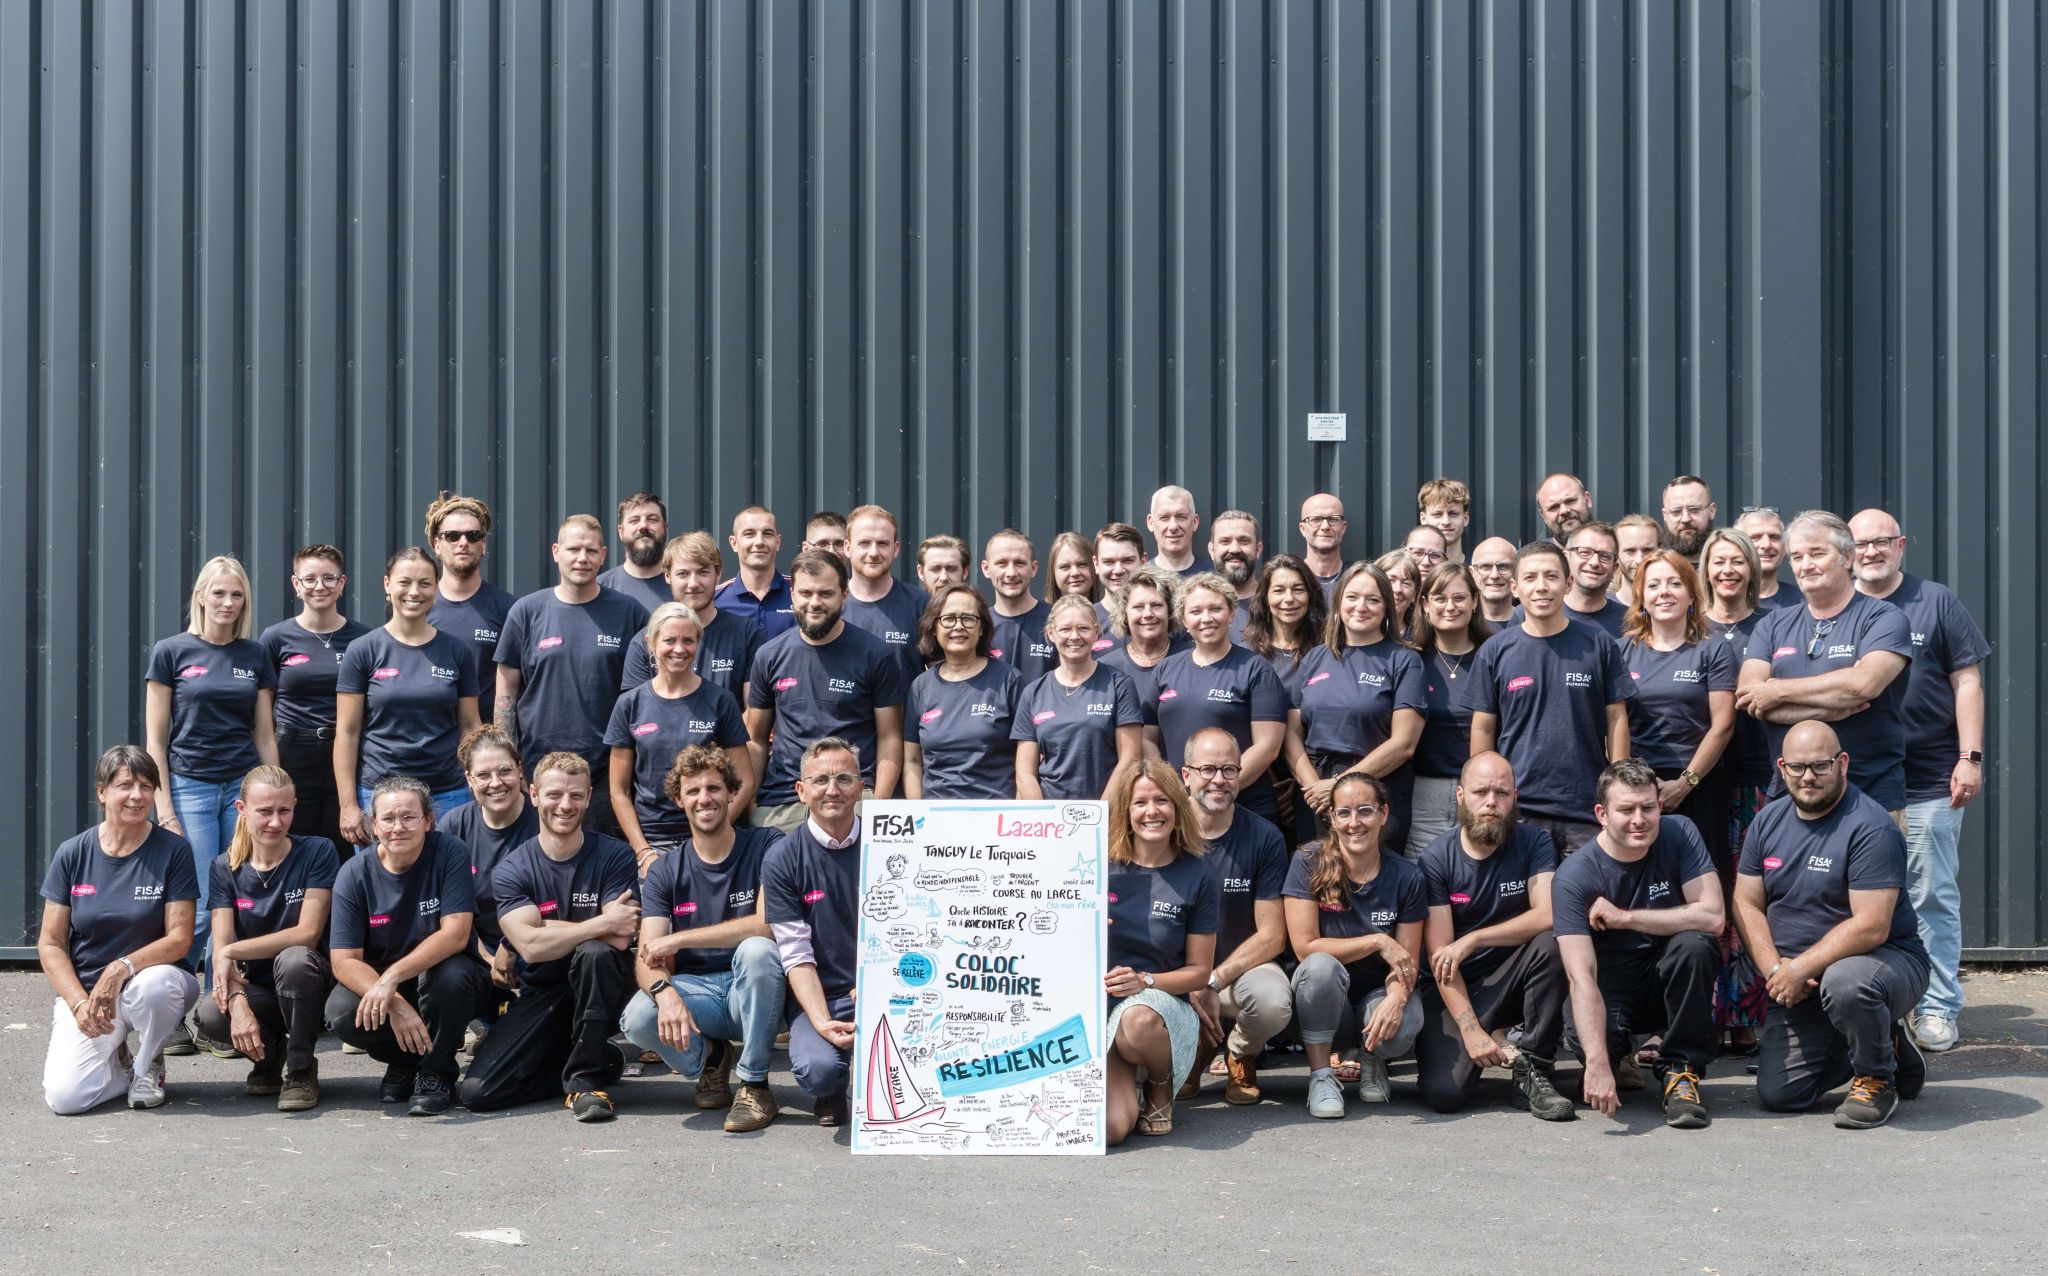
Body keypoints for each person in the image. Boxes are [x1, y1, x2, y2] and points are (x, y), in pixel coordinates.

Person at [1735, 722, 1931, 1128]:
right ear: (1781, 768)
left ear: (1842, 763)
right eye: (1797, 766)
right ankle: (1886, 1040)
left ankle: (1876, 1078)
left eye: (1820, 766)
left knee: (1847, 983)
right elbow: (1745, 901)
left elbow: (1871, 926)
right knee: (1782, 1094)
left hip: (1882, 963)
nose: (1808, 776)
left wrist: (1800, 968)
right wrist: (1776, 970)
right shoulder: (1767, 821)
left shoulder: (1871, 826)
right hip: (1799, 981)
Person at [1847, 508, 1989, 1053]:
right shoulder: (1840, 607)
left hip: (1929, 777)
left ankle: (1937, 1007)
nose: (1871, 552)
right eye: (1861, 543)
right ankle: (1873, 1005)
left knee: (1931, 894)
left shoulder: (1935, 600)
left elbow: (1967, 681)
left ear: (1901, 545)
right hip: (1859, 778)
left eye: (1881, 541)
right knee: (1857, 896)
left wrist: (1969, 757)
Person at [458, 754, 641, 1120]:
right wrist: (598, 923)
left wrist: (543, 926)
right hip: (544, 990)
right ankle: (595, 1060)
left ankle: (586, 1083)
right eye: (554, 794)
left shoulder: (615, 855)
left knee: (594, 953)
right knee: (477, 1094)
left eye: (576, 795)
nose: (565, 805)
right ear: (534, 795)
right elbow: (529, 947)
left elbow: (622, 936)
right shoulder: (513, 869)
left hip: (605, 990)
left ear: (588, 798)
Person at [619, 746, 786, 1131]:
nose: (704, 799)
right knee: (638, 1016)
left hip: (756, 991)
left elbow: (767, 925)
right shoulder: (665, 871)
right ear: (679, 800)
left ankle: (755, 1083)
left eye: (713, 788)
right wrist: (665, 994)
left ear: (732, 793)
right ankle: (711, 1058)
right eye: (693, 791)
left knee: (758, 950)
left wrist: (680, 940)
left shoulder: (767, 844)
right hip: (700, 993)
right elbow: (648, 956)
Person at [1553, 760, 1723, 1127]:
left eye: (1648, 807)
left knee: (1695, 944)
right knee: (1595, 1047)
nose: (1639, 820)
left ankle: (1680, 1070)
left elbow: (1713, 917)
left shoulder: (1680, 832)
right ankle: (1615, 1057)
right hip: (1609, 986)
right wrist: (1597, 1062)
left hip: (1665, 977)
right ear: (1602, 815)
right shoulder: (1574, 876)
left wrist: (1625, 917)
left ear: (1660, 806)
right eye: (1626, 810)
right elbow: (1581, 977)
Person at [39, 746, 200, 1114]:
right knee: (66, 1098)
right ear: (102, 792)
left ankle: (149, 1064)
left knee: (155, 986)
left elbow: (180, 939)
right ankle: (122, 1064)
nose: (136, 796)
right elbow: (50, 943)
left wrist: (121, 967)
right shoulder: (72, 853)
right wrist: (78, 1002)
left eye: (146, 786)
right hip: (91, 995)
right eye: (125, 785)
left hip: (153, 983)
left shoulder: (173, 851)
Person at [1413, 753, 1573, 1119]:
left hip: (1514, 978)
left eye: (1501, 793)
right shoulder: (1436, 859)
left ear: (1514, 797)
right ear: (1460, 796)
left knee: (1553, 942)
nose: (1491, 802)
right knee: (1446, 1095)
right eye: (1480, 792)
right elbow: (1441, 959)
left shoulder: (1534, 842)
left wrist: (1474, 939)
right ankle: (1480, 1044)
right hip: (1457, 987)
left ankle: (1533, 1067)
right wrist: (1470, 1030)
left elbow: (1547, 914)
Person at [146, 555, 279, 982]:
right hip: (191, 788)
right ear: (200, 596)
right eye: (219, 593)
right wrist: (165, 811)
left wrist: (276, 793)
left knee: (237, 900)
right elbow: (155, 741)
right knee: (201, 904)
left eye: (237, 595)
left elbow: (264, 735)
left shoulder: (254, 655)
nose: (227, 602)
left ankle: (218, 1001)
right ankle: (172, 998)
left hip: (242, 789)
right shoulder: (171, 651)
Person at [326, 777, 486, 1117]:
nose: (398, 827)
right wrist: (395, 1002)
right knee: (341, 1010)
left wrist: (393, 977)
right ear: (373, 825)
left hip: (443, 977)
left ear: (428, 820)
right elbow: (343, 960)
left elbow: (456, 934)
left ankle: (436, 1073)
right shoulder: (353, 874)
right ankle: (405, 1059)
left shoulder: (449, 851)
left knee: (451, 975)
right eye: (388, 818)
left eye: (409, 817)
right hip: (389, 987)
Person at [1737, 510, 1914, 814]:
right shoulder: (1771, 625)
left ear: (1847, 557)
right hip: (1789, 801)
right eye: (1797, 557)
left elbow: (1863, 685)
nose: (1805, 565)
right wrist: (1833, 707)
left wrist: (1777, 691)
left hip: (1871, 798)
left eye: (1817, 553)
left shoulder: (1884, 618)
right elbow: (1750, 697)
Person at [1466, 541, 1634, 855]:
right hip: (1519, 808)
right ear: (1514, 587)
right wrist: (1487, 791)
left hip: (1586, 805)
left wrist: (1619, 785)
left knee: (1585, 888)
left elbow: (1616, 718)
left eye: (1551, 576)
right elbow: (1483, 728)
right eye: (1530, 578)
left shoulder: (1599, 644)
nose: (1541, 586)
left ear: (1568, 583)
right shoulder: (1495, 651)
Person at [191, 766, 337, 1110]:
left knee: (295, 958)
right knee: (212, 1014)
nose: (275, 821)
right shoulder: (224, 867)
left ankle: (301, 1069)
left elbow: (307, 933)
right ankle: (268, 1059)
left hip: (312, 987)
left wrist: (231, 951)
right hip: (260, 988)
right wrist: (238, 1001)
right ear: (242, 809)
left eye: (284, 810)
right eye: (265, 811)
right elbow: (221, 949)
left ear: (294, 807)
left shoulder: (317, 851)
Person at [495, 514, 652, 833]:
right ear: (556, 552)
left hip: (607, 773)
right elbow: (505, 693)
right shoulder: (526, 612)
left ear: (603, 555)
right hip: (538, 770)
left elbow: (646, 695)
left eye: (591, 551)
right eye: (574, 549)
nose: (582, 558)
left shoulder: (630, 612)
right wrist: (509, 762)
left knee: (602, 860)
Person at [1284, 772, 1425, 1118]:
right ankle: (1321, 1075)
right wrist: (1377, 941)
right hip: (1322, 1001)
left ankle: (1372, 1057)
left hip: (1375, 994)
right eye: (1344, 812)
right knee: (1320, 965)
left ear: (1383, 814)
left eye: (1365, 811)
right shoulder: (1308, 861)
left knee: (1403, 1021)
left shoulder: (1407, 876)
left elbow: (1405, 963)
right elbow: (1304, 947)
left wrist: (1396, 999)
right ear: (1331, 818)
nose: (1354, 822)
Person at [744, 550, 906, 831]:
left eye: (826, 594)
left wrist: (877, 806)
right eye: (806, 593)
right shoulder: (768, 656)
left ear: (844, 595)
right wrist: (751, 805)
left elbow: (890, 737)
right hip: (783, 801)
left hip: (855, 798)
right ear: (792, 595)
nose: (815, 603)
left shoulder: (876, 655)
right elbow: (756, 740)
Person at [1102, 759, 1219, 1142]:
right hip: (1097, 1008)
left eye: (1161, 800)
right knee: (1110, 1130)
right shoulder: (1097, 866)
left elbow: (1199, 972)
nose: (1151, 811)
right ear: (1126, 810)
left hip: (1159, 1008)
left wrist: (1145, 982)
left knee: (1137, 1019)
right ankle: (1127, 1080)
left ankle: (1159, 1084)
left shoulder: (1198, 875)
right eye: (1140, 802)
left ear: (1177, 806)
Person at [335, 548, 483, 843]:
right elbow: (347, 732)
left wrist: (479, 783)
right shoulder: (363, 650)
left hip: (448, 792)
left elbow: (470, 727)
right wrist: (348, 804)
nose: (414, 592)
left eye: (424, 583)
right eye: (404, 582)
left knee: (448, 869)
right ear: (387, 584)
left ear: (435, 588)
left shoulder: (456, 651)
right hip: (379, 794)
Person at [1178, 731, 1290, 1106]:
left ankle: (1240, 1053)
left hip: (1237, 972)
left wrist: (1211, 980)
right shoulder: (1162, 830)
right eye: (1208, 769)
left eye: (1229, 769)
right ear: (1186, 775)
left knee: (1272, 1000)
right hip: (1174, 971)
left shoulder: (1264, 837)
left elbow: (1273, 935)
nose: (1219, 780)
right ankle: (1189, 1053)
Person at [762, 737, 868, 1125]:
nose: (832, 790)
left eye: (844, 779)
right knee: (818, 1070)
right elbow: (795, 952)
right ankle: (832, 1089)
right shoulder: (782, 857)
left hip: (888, 988)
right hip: (821, 993)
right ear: (801, 791)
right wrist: (822, 1021)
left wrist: (878, 983)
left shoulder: (891, 842)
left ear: (861, 787)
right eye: (820, 780)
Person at [1286, 562, 1425, 853]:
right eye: (1352, 597)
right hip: (1315, 792)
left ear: (1386, 608)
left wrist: (1338, 786)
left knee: (1372, 877)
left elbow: (1404, 743)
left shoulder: (1404, 660)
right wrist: (1314, 786)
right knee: (1317, 874)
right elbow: (1291, 733)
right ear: (1338, 602)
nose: (1361, 607)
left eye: (1373, 599)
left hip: (1376, 791)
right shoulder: (1314, 658)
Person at [606, 602, 754, 869]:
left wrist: (713, 831)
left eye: (688, 640)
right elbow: (619, 790)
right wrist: (643, 852)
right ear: (651, 643)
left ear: (698, 644)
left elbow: (745, 781)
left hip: (712, 842)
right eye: (669, 640)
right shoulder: (629, 704)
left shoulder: (720, 701)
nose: (679, 649)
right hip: (654, 842)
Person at [1620, 551, 1737, 881]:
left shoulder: (1713, 649)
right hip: (1638, 786)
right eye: (1654, 585)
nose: (1664, 592)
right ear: (1641, 597)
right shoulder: (1620, 651)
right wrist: (1636, 784)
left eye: (1674, 583)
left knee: (1702, 881)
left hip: (1700, 783)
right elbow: (1612, 724)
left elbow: (1723, 725)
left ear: (1691, 595)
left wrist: (1686, 783)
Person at [1699, 527, 1773, 1047]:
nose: (1727, 570)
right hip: (1701, 785)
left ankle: (1746, 1016)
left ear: (1752, 569)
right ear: (1705, 569)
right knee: (1708, 895)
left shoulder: (1773, 624)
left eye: (1737, 561)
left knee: (1750, 895)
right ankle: (1703, 1014)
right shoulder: (1689, 625)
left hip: (1755, 779)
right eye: (1718, 561)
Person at [1148, 573, 1289, 826]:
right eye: (1196, 611)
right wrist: (1174, 792)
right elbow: (1147, 739)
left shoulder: (1255, 669)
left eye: (1215, 609)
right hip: (1179, 807)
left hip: (1245, 808)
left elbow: (1267, 747)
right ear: (1184, 619)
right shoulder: (1164, 670)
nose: (1206, 618)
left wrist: (1213, 790)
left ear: (1231, 613)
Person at [262, 545, 372, 854]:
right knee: (294, 843)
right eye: (309, 579)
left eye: (328, 578)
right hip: (293, 753)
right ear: (296, 584)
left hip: (349, 754)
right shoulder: (275, 638)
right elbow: (261, 712)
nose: (319, 586)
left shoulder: (364, 639)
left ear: (342, 583)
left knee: (346, 841)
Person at [439, 726, 540, 1009]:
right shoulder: (453, 827)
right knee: (445, 973)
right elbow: (450, 913)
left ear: (520, 769)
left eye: (505, 771)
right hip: (478, 951)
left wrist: (511, 945)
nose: (496, 783)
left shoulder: (544, 820)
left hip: (537, 946)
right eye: (483, 775)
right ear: (469, 779)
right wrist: (488, 959)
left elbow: (556, 903)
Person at [1014, 595, 1145, 801]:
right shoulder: (1033, 693)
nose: (1074, 636)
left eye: (1083, 628)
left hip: (1106, 812)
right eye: (1065, 629)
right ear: (1051, 633)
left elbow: (1130, 759)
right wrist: (1043, 815)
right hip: (1050, 815)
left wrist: (1100, 813)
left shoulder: (1119, 684)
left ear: (1096, 632)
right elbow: (1025, 773)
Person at [904, 585, 1024, 799]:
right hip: (936, 815)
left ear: (981, 627)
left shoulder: (1009, 680)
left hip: (996, 812)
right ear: (934, 627)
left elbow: (1027, 759)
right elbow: (912, 761)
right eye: (949, 619)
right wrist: (919, 811)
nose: (958, 626)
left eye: (968, 618)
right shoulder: (920, 686)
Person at [620, 532, 766, 704]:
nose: (693, 584)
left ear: (718, 573)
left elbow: (755, 710)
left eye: (702, 572)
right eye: (683, 574)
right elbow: (638, 712)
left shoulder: (747, 634)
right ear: (667, 576)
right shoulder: (645, 642)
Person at [1408, 564, 1492, 856]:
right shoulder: (1411, 660)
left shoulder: (1494, 655)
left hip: (1483, 792)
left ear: (1475, 601)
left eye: (1459, 598)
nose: (1450, 606)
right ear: (1425, 604)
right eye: (1440, 598)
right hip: (1424, 795)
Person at [427, 492, 519, 725]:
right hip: (428, 740)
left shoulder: (508, 609)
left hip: (485, 742)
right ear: (437, 544)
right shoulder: (419, 606)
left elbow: (515, 685)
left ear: (483, 545)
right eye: (452, 536)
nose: (463, 543)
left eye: (473, 535)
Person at [841, 504, 930, 688]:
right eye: (864, 543)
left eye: (882, 543)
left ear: (895, 549)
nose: (873, 553)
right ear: (847, 548)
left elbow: (942, 673)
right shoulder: (830, 604)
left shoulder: (920, 604)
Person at [1098, 566, 1187, 709]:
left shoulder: (1192, 659)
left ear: (1170, 611)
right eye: (1138, 607)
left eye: (1156, 605)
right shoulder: (1106, 668)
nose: (1148, 614)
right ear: (1124, 613)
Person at [982, 529, 1056, 681]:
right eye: (1002, 563)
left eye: (1019, 563)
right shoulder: (978, 625)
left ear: (1034, 568)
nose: (1011, 573)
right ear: (986, 569)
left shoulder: (1056, 620)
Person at [715, 505, 795, 639]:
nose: (759, 542)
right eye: (749, 534)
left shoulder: (802, 593)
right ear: (734, 543)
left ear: (778, 542)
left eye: (767, 534)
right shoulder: (715, 600)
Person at [596, 491, 675, 612]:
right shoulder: (599, 588)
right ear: (621, 532)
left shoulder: (683, 586)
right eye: (634, 520)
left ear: (665, 528)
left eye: (652, 519)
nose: (643, 526)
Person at [1555, 522, 1629, 637]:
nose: (1594, 562)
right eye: (1584, 552)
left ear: (1615, 568)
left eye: (1605, 556)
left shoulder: (1631, 623)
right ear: (1566, 558)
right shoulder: (1537, 613)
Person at [1207, 509, 1264, 628]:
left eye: (1244, 541)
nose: (1234, 549)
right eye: (1225, 541)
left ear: (1258, 550)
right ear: (1212, 550)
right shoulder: (1199, 609)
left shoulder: (1275, 605)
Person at [1736, 506, 1797, 611]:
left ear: (1784, 547)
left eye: (1774, 537)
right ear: (1737, 546)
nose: (1767, 545)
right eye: (1755, 537)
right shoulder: (1719, 603)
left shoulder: (1804, 602)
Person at [1090, 522, 1148, 631]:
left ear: (1143, 562)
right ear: (1096, 564)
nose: (1118, 570)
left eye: (1127, 560)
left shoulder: (1161, 620)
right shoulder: (1085, 621)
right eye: (1109, 562)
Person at [1147, 484, 1210, 577]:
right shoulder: (1139, 579)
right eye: (1164, 518)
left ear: (1194, 522)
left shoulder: (1214, 579)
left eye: (1181, 517)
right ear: (1151, 523)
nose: (1173, 526)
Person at [1296, 494, 1348, 601]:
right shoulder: (1291, 579)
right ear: (1302, 529)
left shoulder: (1357, 578)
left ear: (1343, 527)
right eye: (1316, 519)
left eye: (1333, 519)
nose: (1325, 527)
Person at [1611, 514, 1664, 609]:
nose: (1639, 560)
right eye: (1630, 551)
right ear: (1615, 553)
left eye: (1647, 550)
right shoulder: (1599, 609)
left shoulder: (1676, 609)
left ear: (1660, 551)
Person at [1661, 475, 1718, 561]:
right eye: (1676, 512)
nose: (1685, 519)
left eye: (1694, 510)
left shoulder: (1728, 565)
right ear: (1665, 515)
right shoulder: (1654, 568)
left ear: (1711, 511)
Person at [1371, 549, 1422, 644]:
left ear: (1415, 594)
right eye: (1390, 580)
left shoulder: (1422, 640)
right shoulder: (1356, 634)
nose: (1398, 589)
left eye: (1406, 583)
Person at [1417, 478, 1472, 564]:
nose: (1446, 522)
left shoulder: (1478, 570)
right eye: (1437, 514)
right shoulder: (1410, 570)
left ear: (1465, 518)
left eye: (1453, 514)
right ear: (1423, 519)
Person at [1469, 535, 1519, 625]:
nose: (1494, 575)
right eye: (1485, 567)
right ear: (1471, 573)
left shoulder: (1533, 624)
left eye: (1503, 567)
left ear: (1517, 571)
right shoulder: (1460, 625)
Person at [1534, 472, 1594, 545]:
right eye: (1554, 507)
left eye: (1570, 501)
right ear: (1543, 516)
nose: (1564, 511)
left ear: (1587, 500)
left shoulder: (1608, 547)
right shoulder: (1532, 552)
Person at [1044, 530, 1100, 604]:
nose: (1075, 573)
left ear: (1095, 566)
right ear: (1053, 572)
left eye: (1082, 564)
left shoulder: (1110, 611)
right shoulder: (1043, 612)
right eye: (1065, 566)